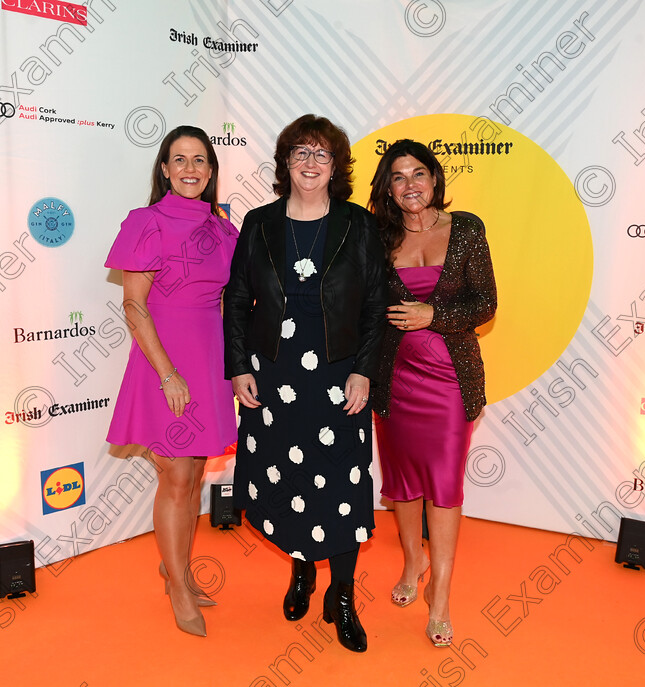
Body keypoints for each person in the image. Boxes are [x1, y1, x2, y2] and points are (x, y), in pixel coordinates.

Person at [224, 114, 387, 653]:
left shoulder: (358, 225)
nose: (310, 163)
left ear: (336, 165)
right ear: (285, 162)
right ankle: (300, 571)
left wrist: (365, 369)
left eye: (321, 154)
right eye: (301, 152)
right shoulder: (258, 223)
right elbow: (237, 301)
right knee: (287, 477)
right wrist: (240, 366)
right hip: (275, 372)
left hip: (340, 373)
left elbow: (373, 307)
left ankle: (341, 596)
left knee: (340, 486)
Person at [104, 125, 239, 636]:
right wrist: (168, 374)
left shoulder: (224, 228)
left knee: (195, 471)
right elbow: (134, 306)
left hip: (207, 360)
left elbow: (231, 302)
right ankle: (178, 585)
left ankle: (175, 566)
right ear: (164, 169)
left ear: (211, 170)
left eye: (199, 160)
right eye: (179, 160)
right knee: (176, 477)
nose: (190, 169)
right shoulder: (147, 222)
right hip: (165, 361)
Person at [368, 139, 496, 647]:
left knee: (443, 485)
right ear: (388, 189)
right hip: (394, 376)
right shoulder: (378, 238)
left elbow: (485, 302)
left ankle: (439, 594)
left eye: (418, 173)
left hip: (449, 377)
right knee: (400, 481)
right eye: (398, 177)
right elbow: (366, 304)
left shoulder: (465, 228)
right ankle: (412, 561)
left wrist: (433, 316)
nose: (410, 185)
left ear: (435, 178)